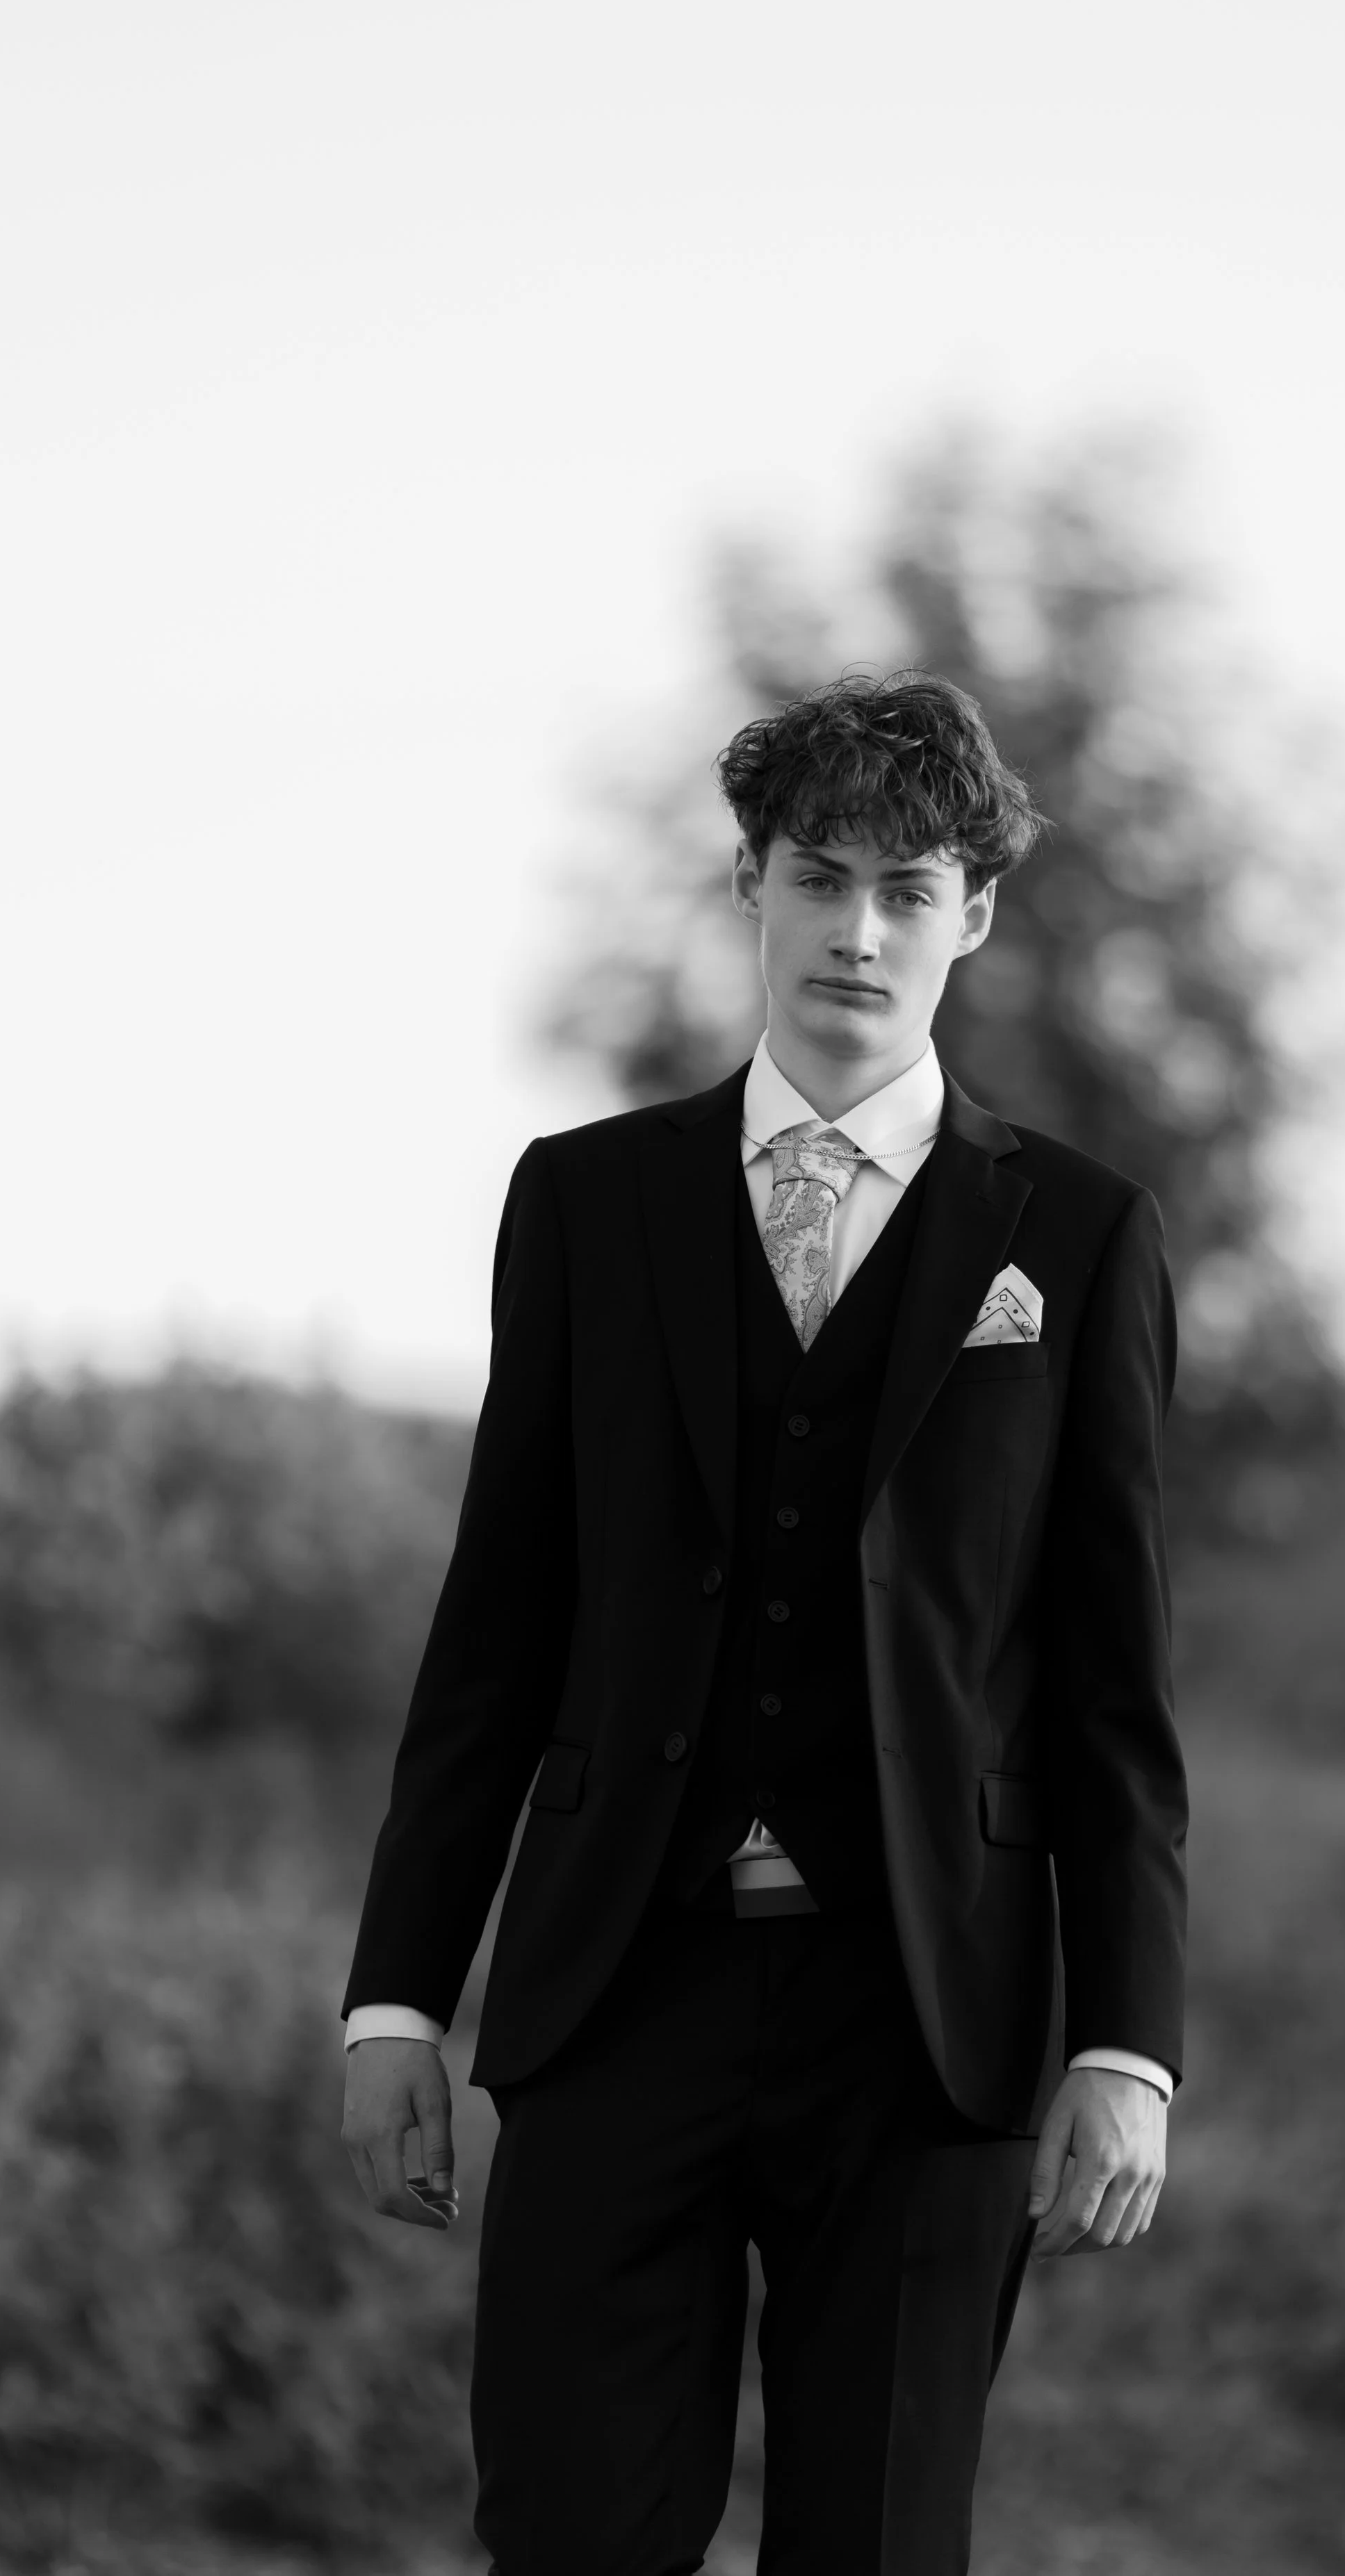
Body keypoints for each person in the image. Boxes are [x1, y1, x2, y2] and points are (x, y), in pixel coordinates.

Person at [340, 668, 1188, 2576]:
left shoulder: (1078, 1233)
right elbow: (497, 1626)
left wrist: (1128, 2044)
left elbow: (1112, 1690)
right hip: (609, 1994)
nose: (858, 928)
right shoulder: (583, 1204)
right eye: (821, 875)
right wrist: (398, 1989)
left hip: (926, 2026)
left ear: (972, 913)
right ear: (753, 885)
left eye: (909, 885)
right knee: (565, 2536)